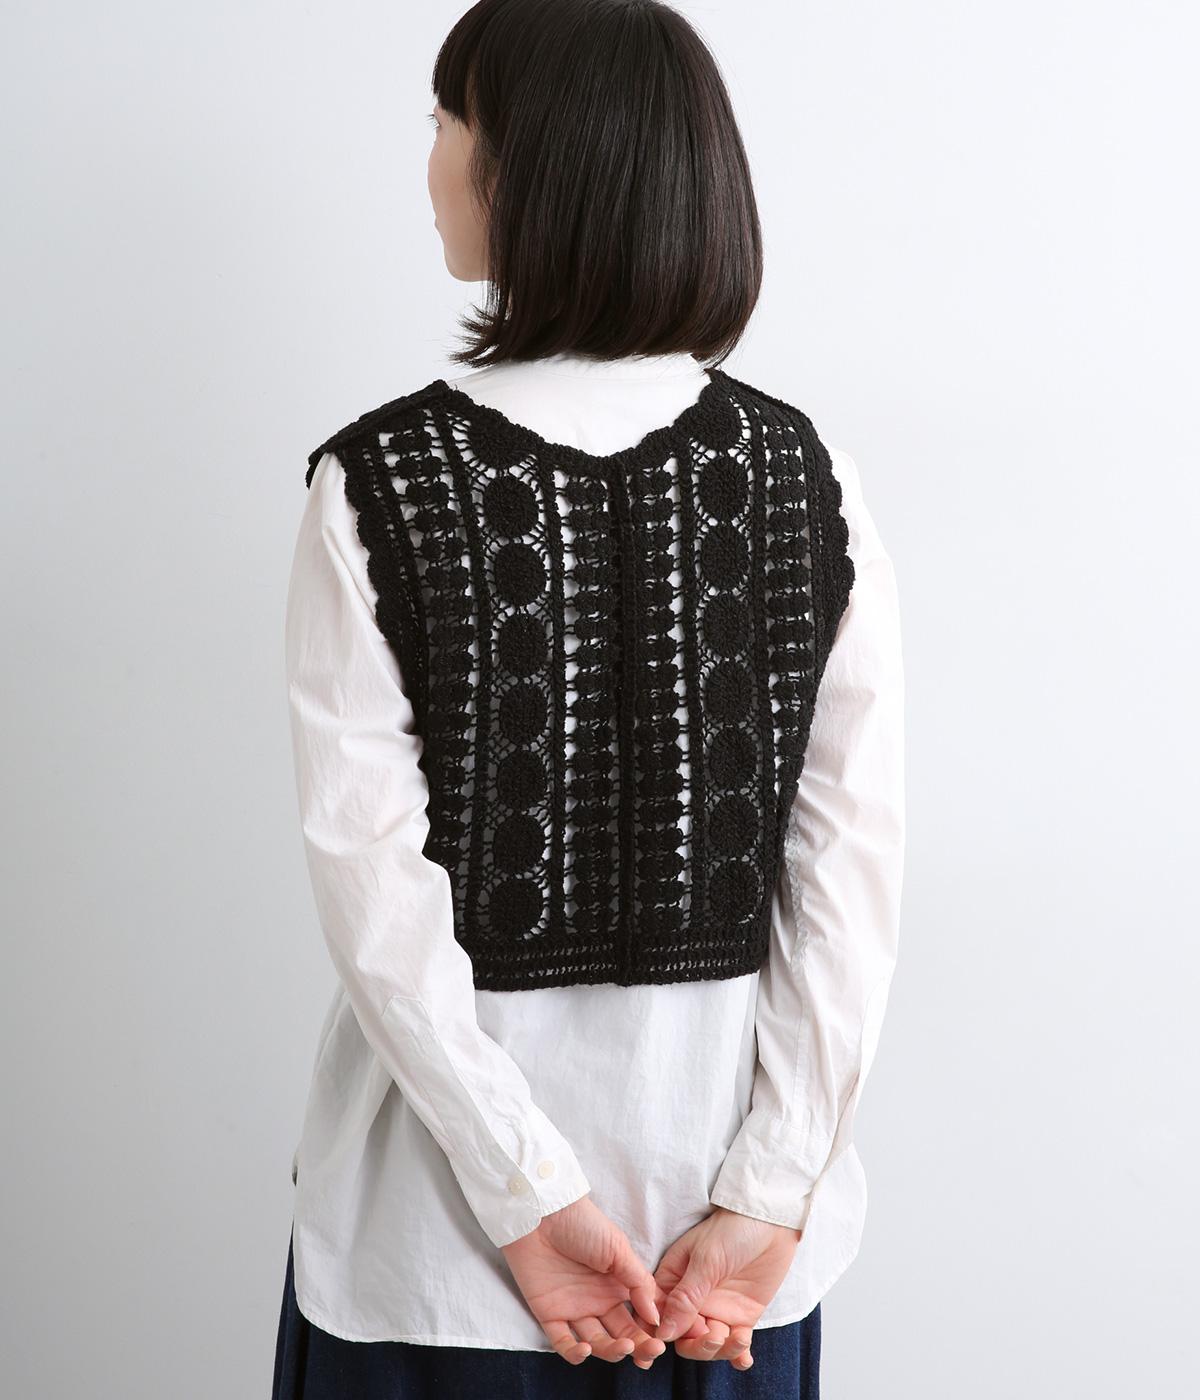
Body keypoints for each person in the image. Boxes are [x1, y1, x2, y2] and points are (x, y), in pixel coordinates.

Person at [271, 2, 905, 1396]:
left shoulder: (372, 488)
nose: (429, 162)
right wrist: (772, 1192)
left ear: (528, 170)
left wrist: (526, 1195)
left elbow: (375, 899)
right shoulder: (810, 480)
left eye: (448, 123)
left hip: (433, 1253)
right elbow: (847, 885)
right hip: (727, 1272)